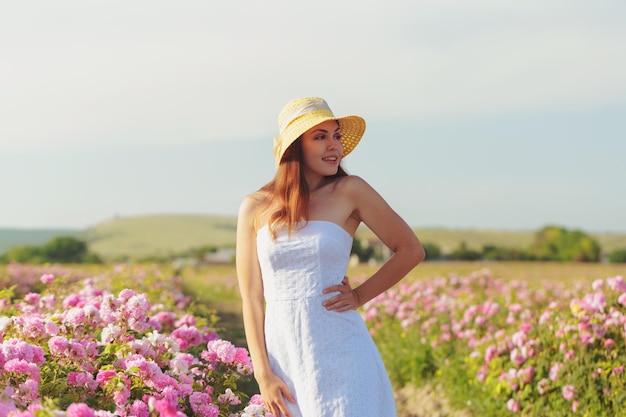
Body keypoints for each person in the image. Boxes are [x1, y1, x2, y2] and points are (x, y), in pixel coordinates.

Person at [236, 96, 425, 417]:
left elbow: (410, 250)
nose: (333, 146)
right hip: (285, 355)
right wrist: (262, 372)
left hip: (343, 349)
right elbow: (252, 297)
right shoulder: (255, 206)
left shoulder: (350, 190)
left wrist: (359, 295)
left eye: (336, 135)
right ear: (295, 146)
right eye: (320, 137)